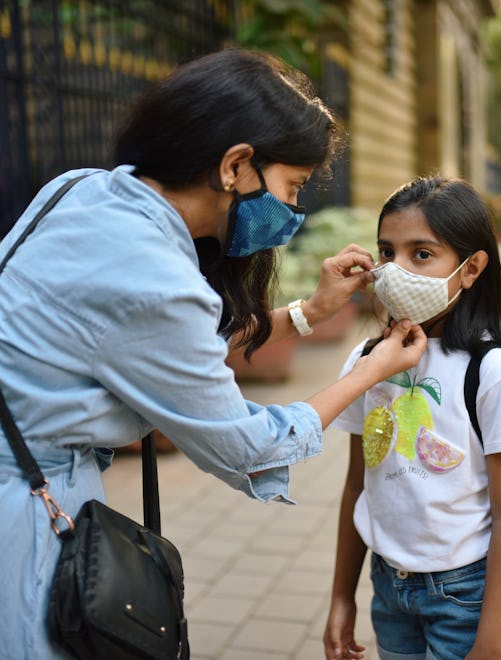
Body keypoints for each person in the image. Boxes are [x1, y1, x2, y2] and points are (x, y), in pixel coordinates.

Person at [0, 48, 426, 658]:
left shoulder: (79, 191)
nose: (293, 211)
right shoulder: (158, 279)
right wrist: (369, 371)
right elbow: (250, 448)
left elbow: (149, 352)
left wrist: (310, 312)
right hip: (25, 511)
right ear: (235, 166)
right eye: (293, 187)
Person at [323, 177, 501, 660]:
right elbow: (356, 487)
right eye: (387, 251)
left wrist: (489, 641)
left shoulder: (493, 374)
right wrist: (342, 597)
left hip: (468, 599)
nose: (397, 269)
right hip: (390, 591)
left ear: (472, 269)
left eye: (421, 254)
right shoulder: (367, 362)